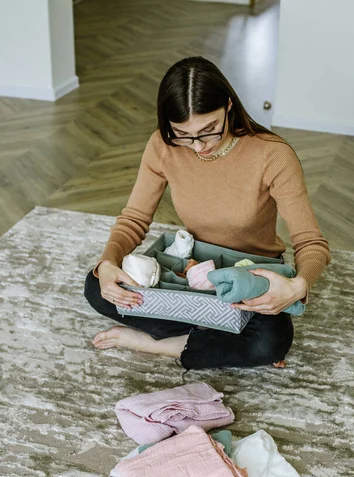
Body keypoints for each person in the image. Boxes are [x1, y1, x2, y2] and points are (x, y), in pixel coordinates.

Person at [84, 56, 331, 370]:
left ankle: (155, 341)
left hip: (250, 276)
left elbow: (311, 243)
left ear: (229, 105)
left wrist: (298, 287)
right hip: (192, 271)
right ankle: (211, 336)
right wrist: (108, 263)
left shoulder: (271, 154)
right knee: (96, 287)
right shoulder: (163, 145)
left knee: (271, 341)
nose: (198, 146)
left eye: (209, 130)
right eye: (183, 135)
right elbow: (134, 219)